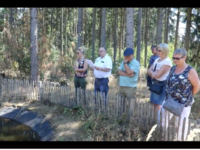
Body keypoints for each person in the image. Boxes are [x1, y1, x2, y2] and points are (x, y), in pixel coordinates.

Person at [161, 48, 200, 141]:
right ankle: (162, 136)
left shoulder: (190, 71)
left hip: (183, 104)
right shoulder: (173, 68)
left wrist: (186, 97)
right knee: (162, 119)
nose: (175, 60)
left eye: (178, 58)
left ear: (185, 57)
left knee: (181, 125)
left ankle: (180, 139)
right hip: (169, 100)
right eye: (174, 58)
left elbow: (197, 86)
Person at [147, 43, 172, 123]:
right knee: (154, 103)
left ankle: (160, 123)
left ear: (165, 51)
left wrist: (153, 73)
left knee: (160, 105)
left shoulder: (167, 61)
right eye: (157, 50)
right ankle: (154, 121)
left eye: (159, 50)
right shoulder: (157, 59)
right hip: (155, 84)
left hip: (162, 85)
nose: (157, 52)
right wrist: (153, 73)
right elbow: (148, 70)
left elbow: (158, 75)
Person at [118, 48, 140, 122]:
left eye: (127, 56)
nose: (126, 58)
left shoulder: (136, 63)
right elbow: (119, 71)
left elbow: (129, 71)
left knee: (131, 104)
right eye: (125, 56)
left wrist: (125, 64)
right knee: (121, 102)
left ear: (132, 55)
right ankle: (121, 117)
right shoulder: (123, 61)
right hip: (122, 86)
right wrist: (127, 74)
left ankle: (130, 119)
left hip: (130, 87)